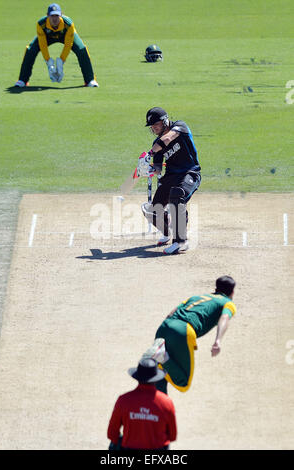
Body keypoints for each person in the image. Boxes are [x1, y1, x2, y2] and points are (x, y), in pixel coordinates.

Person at [141, 276, 237, 394]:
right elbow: (225, 317)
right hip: (183, 330)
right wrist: (218, 340)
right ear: (232, 292)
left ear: (216, 288)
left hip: (164, 326)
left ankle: (157, 406)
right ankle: (163, 357)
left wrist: (164, 335)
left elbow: (172, 312)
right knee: (183, 383)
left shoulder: (197, 297)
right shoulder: (228, 303)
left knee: (159, 375)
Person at [138, 107, 201, 255]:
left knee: (177, 194)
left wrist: (150, 153)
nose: (154, 129)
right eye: (152, 127)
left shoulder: (180, 127)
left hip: (189, 173)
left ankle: (181, 242)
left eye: (156, 125)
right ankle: (167, 232)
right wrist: (148, 169)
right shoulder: (156, 143)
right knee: (152, 211)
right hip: (171, 176)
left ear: (165, 121)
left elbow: (167, 139)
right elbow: (158, 168)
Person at [14, 3, 99, 88]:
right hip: (48, 36)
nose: (54, 19)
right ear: (47, 15)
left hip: (65, 36)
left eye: (57, 16)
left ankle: (90, 80)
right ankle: (22, 80)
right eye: (52, 16)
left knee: (81, 49)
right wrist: (48, 62)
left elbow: (68, 44)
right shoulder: (41, 24)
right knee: (30, 50)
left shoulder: (68, 24)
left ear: (61, 15)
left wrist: (61, 61)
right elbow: (42, 44)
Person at [107, 358, 177, 450]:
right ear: (156, 379)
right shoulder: (166, 402)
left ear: (137, 377)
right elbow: (172, 436)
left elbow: (112, 434)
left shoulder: (123, 400)